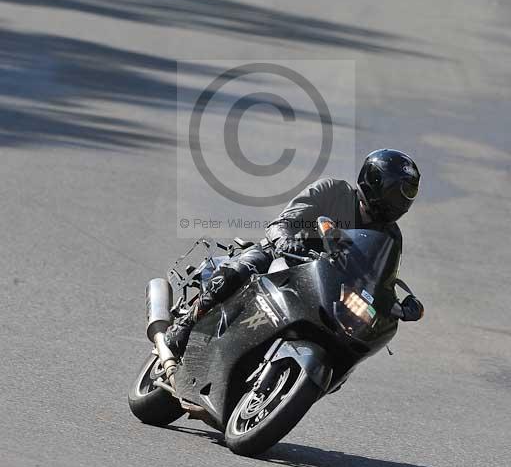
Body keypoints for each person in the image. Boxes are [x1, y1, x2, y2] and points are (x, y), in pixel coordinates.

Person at [166, 148, 424, 357]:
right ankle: (187, 323)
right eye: (400, 191)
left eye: (409, 192)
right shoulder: (333, 191)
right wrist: (285, 240)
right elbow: (282, 223)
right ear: (376, 182)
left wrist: (399, 306)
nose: (402, 199)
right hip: (286, 259)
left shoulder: (390, 237)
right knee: (237, 272)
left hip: (329, 290)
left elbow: (379, 281)